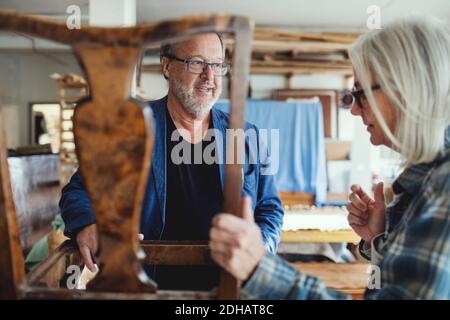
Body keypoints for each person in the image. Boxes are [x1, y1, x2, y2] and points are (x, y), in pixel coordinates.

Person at [209, 15, 450, 299]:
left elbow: (270, 208)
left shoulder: (443, 185)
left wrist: (260, 269)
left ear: (406, 89)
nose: (354, 111)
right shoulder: (427, 181)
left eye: (359, 94)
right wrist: (379, 239)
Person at [60, 33, 284, 290]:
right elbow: (78, 191)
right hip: (149, 285)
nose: (209, 77)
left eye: (217, 65)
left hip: (230, 288)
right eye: (197, 63)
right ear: (167, 66)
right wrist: (88, 223)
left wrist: (260, 251)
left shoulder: (247, 136)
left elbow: (269, 208)